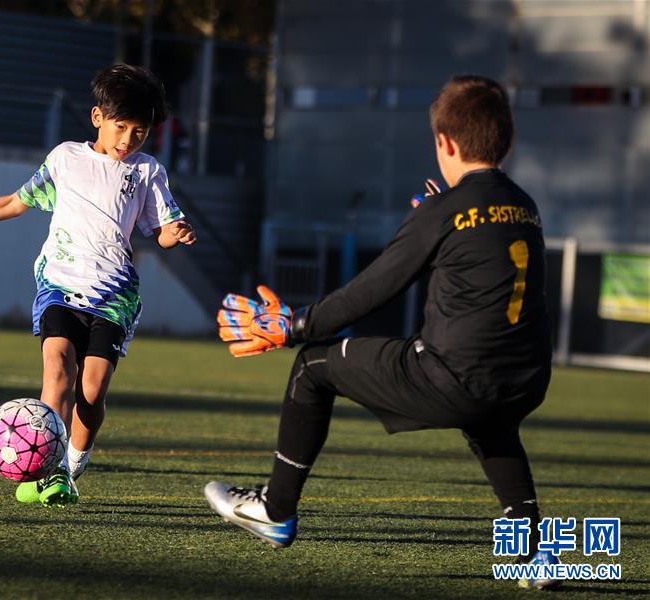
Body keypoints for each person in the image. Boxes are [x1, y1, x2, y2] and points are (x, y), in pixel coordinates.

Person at [207, 75, 559, 589]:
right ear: (506, 139)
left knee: (313, 366)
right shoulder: (526, 206)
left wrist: (295, 326)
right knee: (492, 419)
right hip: (526, 380)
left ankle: (274, 509)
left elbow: (371, 290)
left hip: (452, 378)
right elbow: (476, 246)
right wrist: (438, 221)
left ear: (445, 143)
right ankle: (535, 555)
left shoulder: (444, 211)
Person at [0, 64, 196, 508]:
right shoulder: (65, 158)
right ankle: (52, 470)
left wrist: (175, 233)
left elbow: (160, 230)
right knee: (58, 370)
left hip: (113, 295)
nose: (127, 140)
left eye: (139, 132)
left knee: (93, 390)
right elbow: (15, 201)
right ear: (97, 118)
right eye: (120, 127)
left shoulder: (147, 172)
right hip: (60, 284)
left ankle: (74, 457)